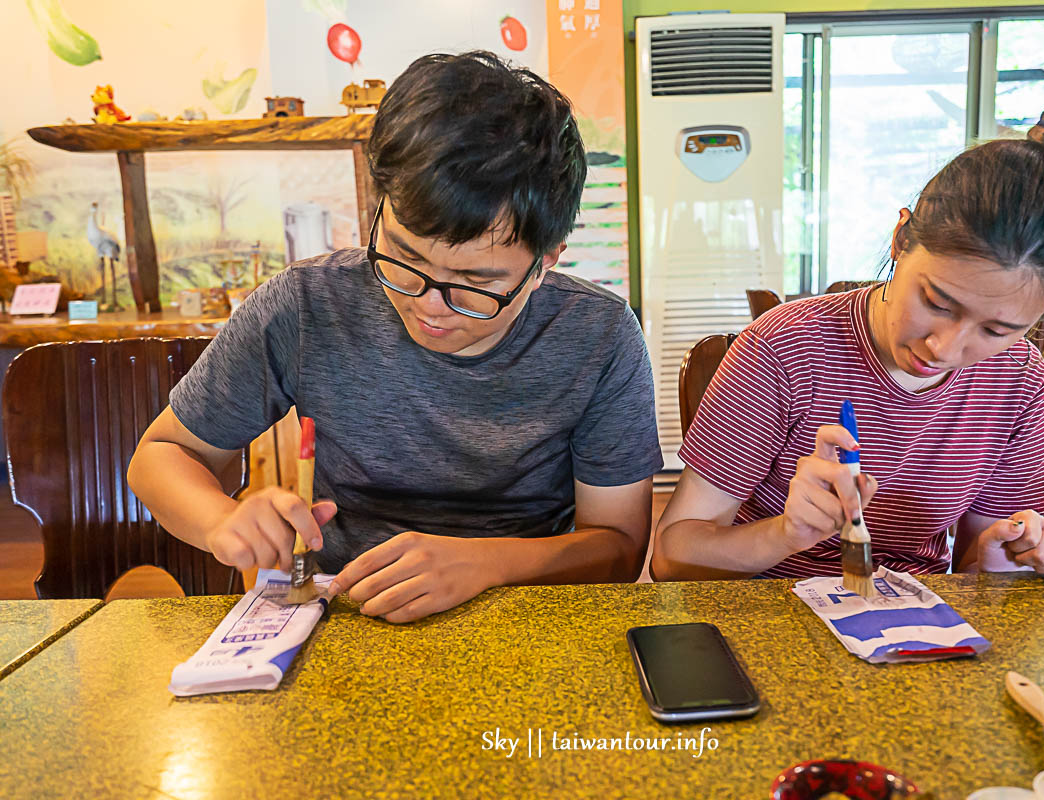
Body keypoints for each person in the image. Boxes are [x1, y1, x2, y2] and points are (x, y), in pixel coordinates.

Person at [128, 51, 662, 622]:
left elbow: (620, 548)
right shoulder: (307, 305)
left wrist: (490, 565)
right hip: (343, 614)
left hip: (527, 616)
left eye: (476, 283)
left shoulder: (597, 336)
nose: (429, 304)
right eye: (404, 257)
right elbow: (161, 455)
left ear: (547, 261)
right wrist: (220, 520)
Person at [651, 83, 1044, 582]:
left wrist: (1001, 554)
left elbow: (976, 575)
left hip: (920, 630)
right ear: (902, 239)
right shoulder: (788, 347)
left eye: (996, 329)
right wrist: (785, 532)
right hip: (770, 619)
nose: (944, 348)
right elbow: (672, 558)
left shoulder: (1017, 380)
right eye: (936, 302)